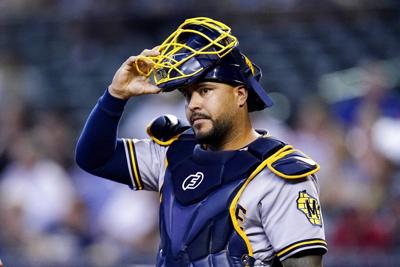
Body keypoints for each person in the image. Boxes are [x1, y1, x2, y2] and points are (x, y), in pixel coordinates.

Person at [76, 17, 327, 267]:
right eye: (188, 94)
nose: (193, 104)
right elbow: (95, 158)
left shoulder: (279, 173)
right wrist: (115, 96)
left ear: (240, 94)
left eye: (205, 90)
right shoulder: (173, 153)